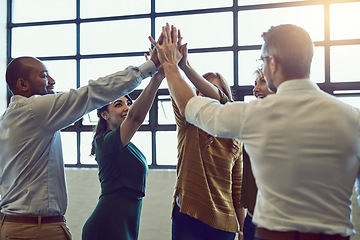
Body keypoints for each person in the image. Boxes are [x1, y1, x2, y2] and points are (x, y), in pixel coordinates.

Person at [152, 23, 360, 240]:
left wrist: (170, 64)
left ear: (273, 62)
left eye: (263, 60)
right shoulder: (353, 119)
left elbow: (190, 105)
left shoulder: (254, 116)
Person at [0, 47, 160, 239]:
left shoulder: (8, 120)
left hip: (17, 225)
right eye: (44, 76)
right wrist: (150, 68)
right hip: (36, 229)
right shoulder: (34, 109)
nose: (52, 81)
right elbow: (92, 93)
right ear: (22, 84)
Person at [151, 26, 245, 240]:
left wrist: (240, 231)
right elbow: (181, 94)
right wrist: (170, 61)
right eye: (199, 91)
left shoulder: (235, 137)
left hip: (224, 224)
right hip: (188, 217)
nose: (202, 97)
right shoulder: (188, 122)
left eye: (209, 90)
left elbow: (237, 192)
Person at [82, 63, 164, 240]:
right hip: (107, 225)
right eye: (118, 104)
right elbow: (136, 117)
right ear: (105, 115)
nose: (127, 107)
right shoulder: (104, 142)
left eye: (129, 103)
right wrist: (157, 78)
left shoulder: (125, 144)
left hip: (127, 222)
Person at [241, 69, 274, 240]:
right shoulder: (251, 120)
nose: (255, 89)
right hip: (252, 220)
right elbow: (222, 102)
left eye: (262, 82)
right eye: (255, 84)